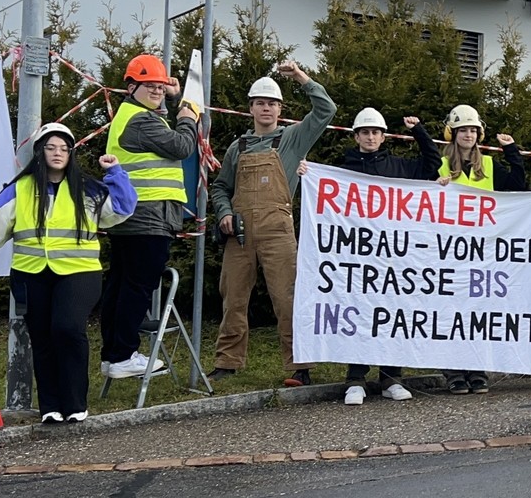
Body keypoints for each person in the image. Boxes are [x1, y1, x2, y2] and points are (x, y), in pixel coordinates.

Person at [0, 123, 137, 424]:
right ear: (40, 152)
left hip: (79, 272)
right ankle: (50, 407)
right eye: (52, 148)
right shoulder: (21, 189)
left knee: (67, 329)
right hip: (31, 274)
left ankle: (75, 402)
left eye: (64, 149)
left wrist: (115, 172)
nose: (58, 153)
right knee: (41, 338)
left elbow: (122, 207)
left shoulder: (87, 188)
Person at [299, 107, 442, 404]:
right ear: (356, 136)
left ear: (383, 136)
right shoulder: (343, 170)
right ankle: (355, 379)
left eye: (375, 132)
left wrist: (419, 131)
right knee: (359, 315)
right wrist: (308, 174)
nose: (370, 137)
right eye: (365, 132)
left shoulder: (399, 167)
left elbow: (433, 163)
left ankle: (391, 378)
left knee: (392, 315)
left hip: (394, 258)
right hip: (358, 258)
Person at [209, 60, 336, 387]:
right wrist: (223, 212)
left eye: (272, 103)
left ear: (280, 109)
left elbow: (326, 110)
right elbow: (221, 187)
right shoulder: (238, 147)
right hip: (238, 233)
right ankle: (227, 362)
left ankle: (300, 366)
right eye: (260, 103)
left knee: (287, 297)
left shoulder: (293, 139)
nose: (266, 108)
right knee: (233, 297)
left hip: (278, 232)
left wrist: (300, 77)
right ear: (251, 108)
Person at [100, 54, 200, 379]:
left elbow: (162, 133)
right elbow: (183, 146)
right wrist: (188, 115)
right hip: (148, 217)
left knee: (121, 285)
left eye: (160, 86)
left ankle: (113, 355)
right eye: (150, 86)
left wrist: (170, 101)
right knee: (137, 287)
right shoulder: (140, 121)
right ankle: (124, 355)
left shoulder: (135, 116)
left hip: (134, 216)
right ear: (131, 87)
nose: (157, 91)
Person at [437, 104, 525, 395]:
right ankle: (453, 370)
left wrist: (511, 151)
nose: (469, 134)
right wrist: (435, 185)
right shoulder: (440, 163)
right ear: (453, 133)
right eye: (463, 129)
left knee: (477, 311)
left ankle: (476, 369)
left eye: (473, 130)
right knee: (451, 310)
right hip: (449, 249)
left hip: (481, 251)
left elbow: (516, 183)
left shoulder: (486, 165)